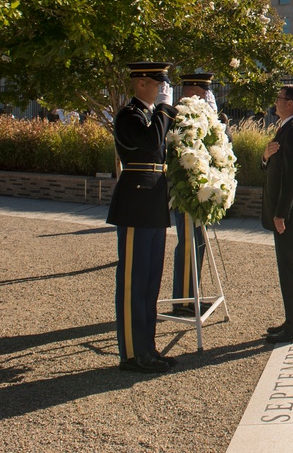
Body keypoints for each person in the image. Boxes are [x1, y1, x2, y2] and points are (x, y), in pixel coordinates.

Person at [106, 61, 178, 373]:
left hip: (153, 201)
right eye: (157, 83)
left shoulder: (150, 115)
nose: (163, 89)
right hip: (135, 201)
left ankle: (148, 346)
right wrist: (164, 110)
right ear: (140, 84)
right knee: (134, 281)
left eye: (164, 85)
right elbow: (150, 145)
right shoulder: (129, 115)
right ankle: (133, 354)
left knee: (150, 280)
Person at [261, 84, 293, 343]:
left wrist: (281, 213)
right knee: (291, 268)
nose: (276, 102)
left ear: (290, 103)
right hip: (290, 212)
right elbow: (276, 163)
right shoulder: (287, 127)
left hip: (291, 214)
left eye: (279, 98)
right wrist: (264, 156)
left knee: (291, 269)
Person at [168, 73, 216, 318]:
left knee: (196, 244)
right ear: (190, 90)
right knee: (188, 244)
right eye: (202, 90)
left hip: (198, 192)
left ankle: (192, 295)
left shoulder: (199, 115)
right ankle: (183, 301)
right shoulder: (181, 117)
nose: (206, 95)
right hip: (185, 193)